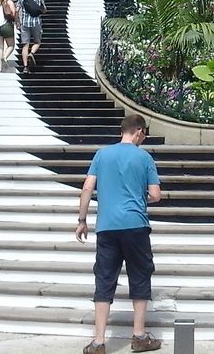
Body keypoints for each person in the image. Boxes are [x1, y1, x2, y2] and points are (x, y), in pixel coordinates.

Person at [76, 114, 162, 354]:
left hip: (106, 226)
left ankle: (99, 341)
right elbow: (156, 195)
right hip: (135, 225)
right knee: (140, 276)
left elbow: (86, 188)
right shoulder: (144, 157)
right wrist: (138, 196)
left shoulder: (101, 155)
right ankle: (139, 336)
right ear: (139, 132)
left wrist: (82, 220)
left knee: (104, 279)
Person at [18, 0, 46, 73]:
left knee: (25, 45)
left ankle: (25, 67)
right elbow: (44, 9)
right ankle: (32, 53)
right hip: (36, 22)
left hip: (25, 23)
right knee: (37, 42)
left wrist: (17, 21)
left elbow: (17, 10)